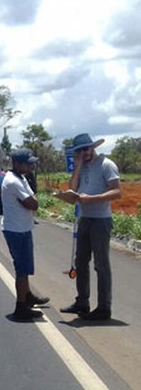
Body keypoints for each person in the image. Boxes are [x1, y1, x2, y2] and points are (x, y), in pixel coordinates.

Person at [60, 133, 121, 321]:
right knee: (81, 262)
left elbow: (117, 191)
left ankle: (104, 308)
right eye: (79, 151)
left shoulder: (106, 165)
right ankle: (82, 302)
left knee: (101, 265)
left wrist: (92, 199)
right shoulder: (83, 166)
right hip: (85, 218)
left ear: (92, 148)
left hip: (101, 220)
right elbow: (73, 188)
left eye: (85, 149)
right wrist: (77, 167)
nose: (83, 153)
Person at [1, 148, 50, 321]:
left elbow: (32, 199)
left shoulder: (21, 178)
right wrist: (32, 200)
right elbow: (33, 203)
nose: (31, 166)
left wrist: (32, 199)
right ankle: (20, 306)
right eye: (28, 163)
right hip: (16, 230)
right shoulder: (13, 181)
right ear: (17, 164)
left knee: (26, 267)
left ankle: (27, 296)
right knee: (22, 269)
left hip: (22, 228)